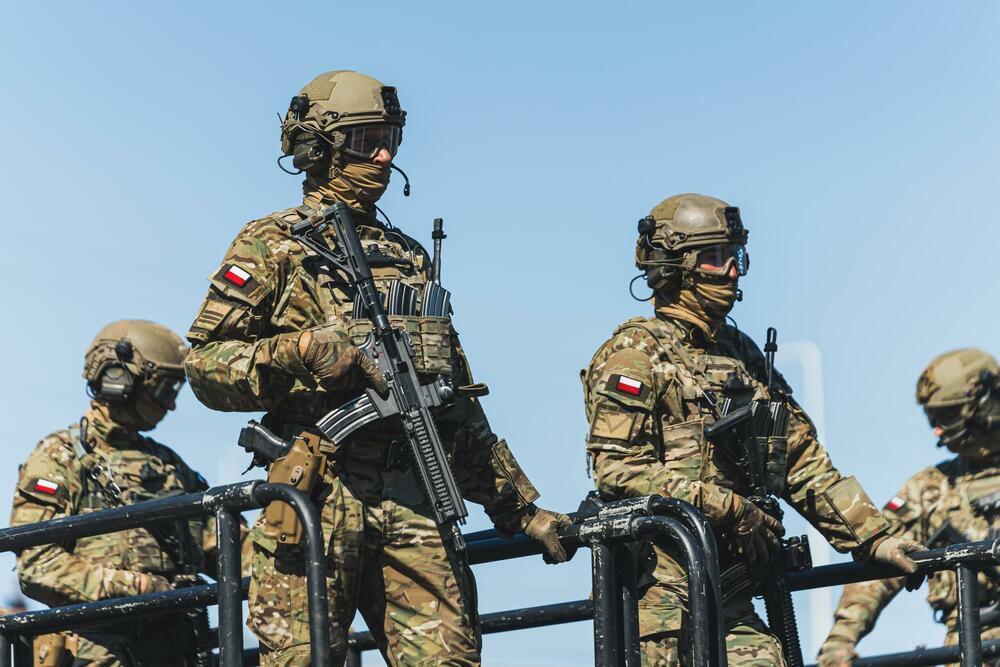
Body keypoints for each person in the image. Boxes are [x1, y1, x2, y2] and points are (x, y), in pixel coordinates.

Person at [184, 69, 569, 666]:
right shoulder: (271, 244)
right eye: (368, 141)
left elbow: (453, 400)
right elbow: (203, 364)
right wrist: (304, 352)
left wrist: (519, 508)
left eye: (392, 139)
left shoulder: (409, 257)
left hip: (413, 491)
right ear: (319, 147)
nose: (385, 156)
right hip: (317, 491)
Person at [582, 193, 922, 666]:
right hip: (660, 603)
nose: (732, 272)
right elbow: (617, 471)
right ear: (675, 266)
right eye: (715, 257)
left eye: (735, 256)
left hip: (732, 592)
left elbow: (799, 458)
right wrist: (729, 508)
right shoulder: (634, 356)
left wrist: (874, 538)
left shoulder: (741, 354)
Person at [10, 320, 230, 666]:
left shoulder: (169, 466)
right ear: (119, 378)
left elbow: (224, 545)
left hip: (182, 653)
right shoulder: (60, 457)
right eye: (164, 389)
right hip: (102, 655)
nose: (170, 405)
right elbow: (37, 566)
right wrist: (141, 590)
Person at [817, 349, 1000, 666]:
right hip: (969, 650)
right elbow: (881, 564)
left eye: (948, 415)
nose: (938, 430)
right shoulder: (930, 489)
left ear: (985, 400)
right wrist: (839, 642)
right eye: (933, 419)